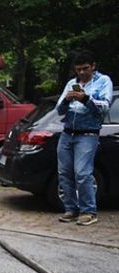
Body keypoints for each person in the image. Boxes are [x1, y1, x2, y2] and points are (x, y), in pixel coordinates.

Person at [55, 50, 113, 226]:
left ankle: (88, 211)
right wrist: (67, 100)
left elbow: (105, 107)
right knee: (64, 172)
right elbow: (59, 110)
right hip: (67, 133)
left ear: (93, 66)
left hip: (88, 134)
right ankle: (71, 209)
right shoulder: (72, 83)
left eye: (85, 68)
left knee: (82, 173)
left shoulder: (103, 81)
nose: (81, 72)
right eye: (78, 69)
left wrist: (85, 99)